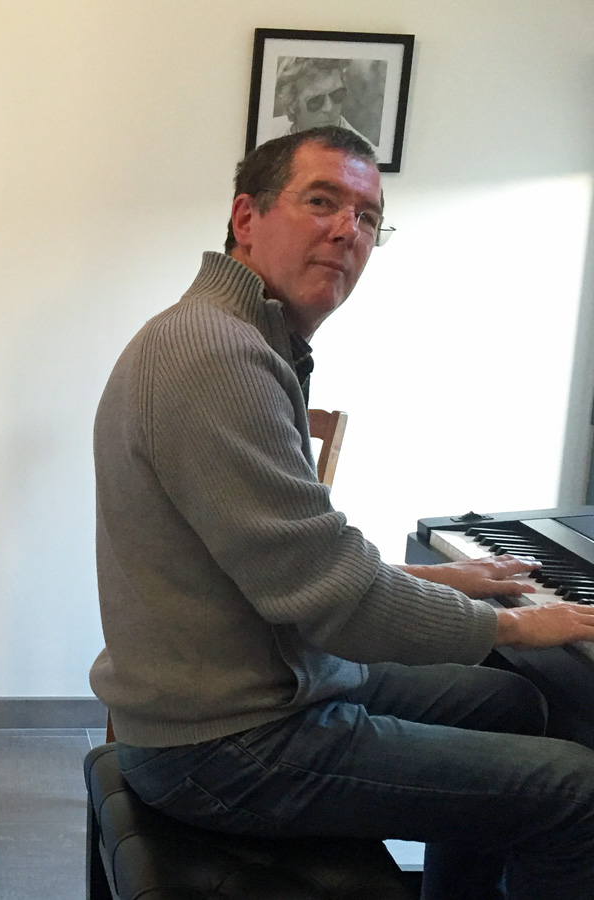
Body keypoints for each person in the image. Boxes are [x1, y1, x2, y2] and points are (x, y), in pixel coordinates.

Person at [89, 125, 594, 898]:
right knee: (577, 794)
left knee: (513, 702)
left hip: (256, 688)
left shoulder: (235, 335)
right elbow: (334, 601)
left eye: (367, 217)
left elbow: (296, 568)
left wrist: (451, 582)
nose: (347, 231)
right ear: (247, 218)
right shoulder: (216, 355)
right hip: (225, 746)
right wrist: (522, 625)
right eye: (322, 201)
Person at [261, 57, 369, 144]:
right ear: (292, 106)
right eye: (316, 101)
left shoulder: (362, 153)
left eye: (337, 95)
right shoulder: (267, 133)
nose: (329, 108)